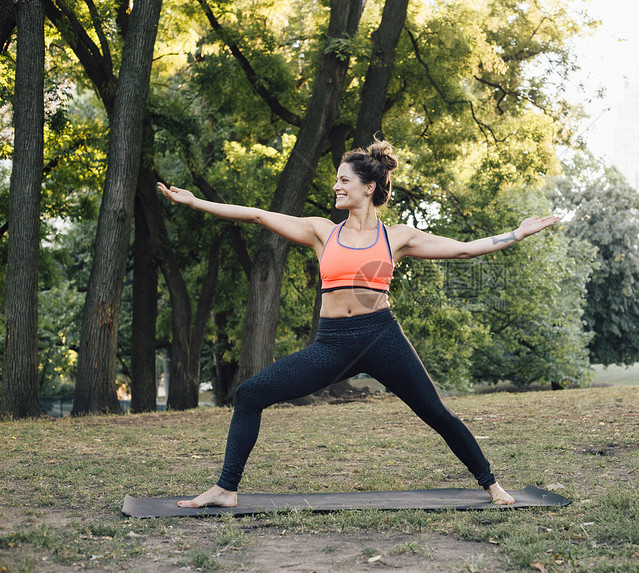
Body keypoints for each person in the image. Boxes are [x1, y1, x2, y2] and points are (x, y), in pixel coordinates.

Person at [157, 139, 559, 508]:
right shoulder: (321, 231)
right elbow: (259, 216)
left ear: (368, 187)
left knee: (437, 413)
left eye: (343, 180)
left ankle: (493, 486)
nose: (336, 186)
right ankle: (226, 488)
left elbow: (465, 250)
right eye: (336, 180)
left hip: (381, 337)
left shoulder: (397, 237)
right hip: (332, 344)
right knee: (249, 395)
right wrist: (196, 203)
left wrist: (517, 234)